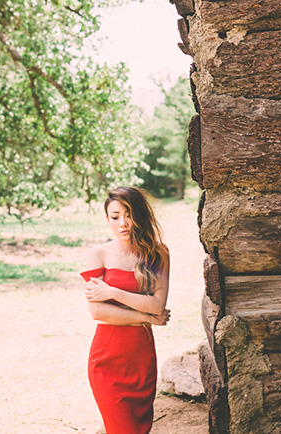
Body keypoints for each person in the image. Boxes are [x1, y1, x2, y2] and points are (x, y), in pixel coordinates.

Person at [81, 186, 171, 434]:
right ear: (107, 218)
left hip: (141, 355)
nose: (123, 223)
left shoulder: (158, 253)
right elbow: (97, 313)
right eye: (115, 216)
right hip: (107, 356)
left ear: (139, 215)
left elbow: (157, 305)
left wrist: (112, 292)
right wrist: (145, 316)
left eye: (129, 214)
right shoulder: (98, 254)